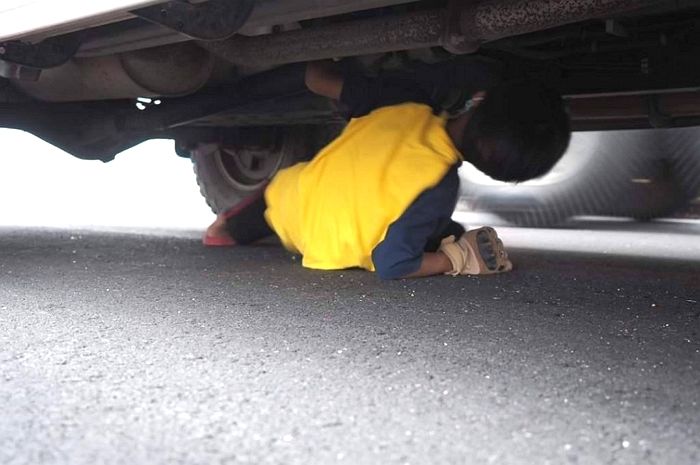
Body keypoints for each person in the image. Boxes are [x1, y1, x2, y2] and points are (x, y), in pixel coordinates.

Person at [204, 60, 571, 279]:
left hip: (294, 210)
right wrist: (454, 259)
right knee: (441, 231)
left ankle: (226, 229)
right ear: (498, 173)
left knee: (284, 187)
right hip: (328, 249)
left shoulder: (405, 100)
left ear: (480, 98)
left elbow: (317, 80)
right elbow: (394, 264)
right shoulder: (438, 187)